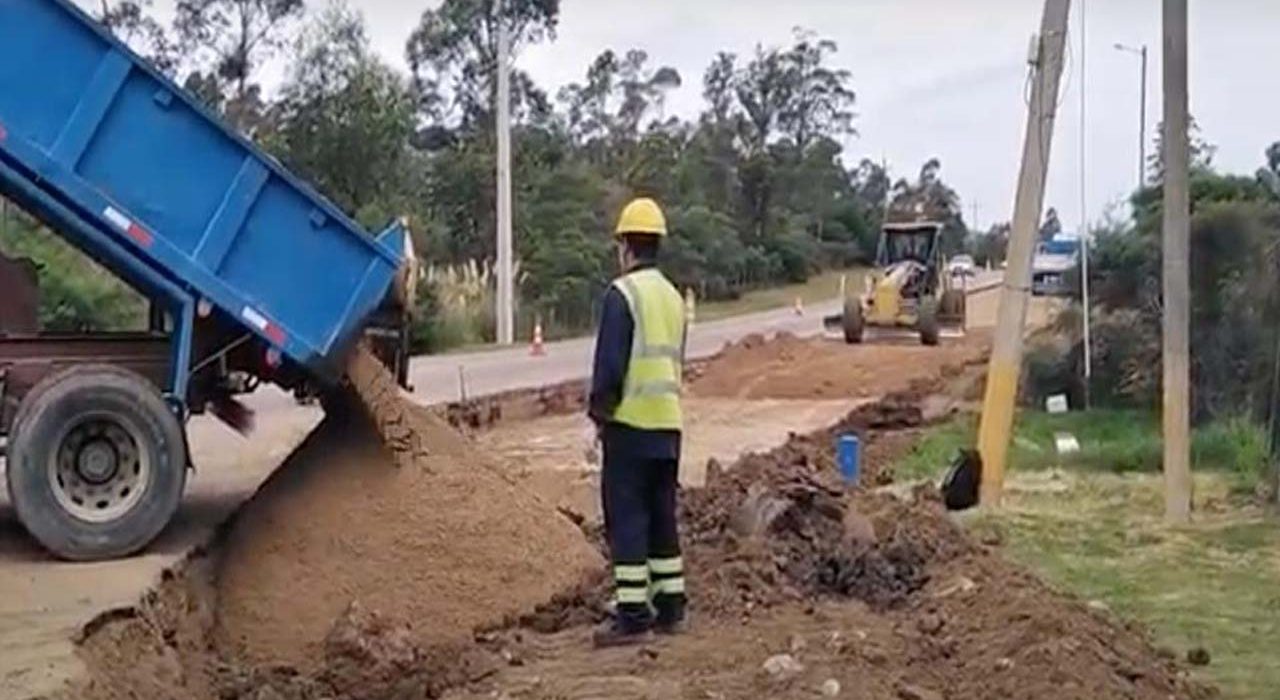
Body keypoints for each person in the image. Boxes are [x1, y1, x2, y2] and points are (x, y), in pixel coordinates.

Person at [588, 197, 687, 647]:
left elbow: (611, 364)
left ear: (625, 246)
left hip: (630, 425)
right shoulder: (672, 296)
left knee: (627, 515)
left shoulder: (621, 295)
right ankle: (671, 605)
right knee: (662, 514)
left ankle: (631, 613)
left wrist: (599, 414)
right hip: (669, 425)